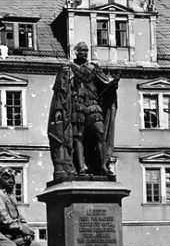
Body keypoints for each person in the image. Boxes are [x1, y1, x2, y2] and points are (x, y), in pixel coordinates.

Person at [49, 42, 119, 179]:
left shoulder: (94, 68)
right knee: (78, 136)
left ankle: (103, 165)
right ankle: (81, 166)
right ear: (76, 52)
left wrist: (112, 85)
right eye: (82, 51)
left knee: (100, 132)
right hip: (76, 104)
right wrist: (58, 109)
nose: (85, 53)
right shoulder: (68, 68)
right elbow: (60, 91)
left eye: (86, 51)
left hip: (93, 104)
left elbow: (105, 84)